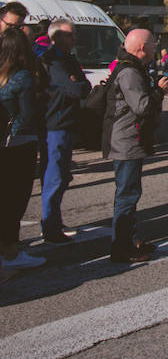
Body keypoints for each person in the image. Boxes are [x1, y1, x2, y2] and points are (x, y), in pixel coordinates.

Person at [102, 29, 168, 262]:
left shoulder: (131, 68)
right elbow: (141, 106)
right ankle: (122, 247)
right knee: (127, 194)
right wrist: (159, 92)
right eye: (153, 44)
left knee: (130, 192)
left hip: (131, 139)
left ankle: (130, 239)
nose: (155, 48)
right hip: (126, 140)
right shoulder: (130, 72)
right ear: (142, 48)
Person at [40, 20, 91, 243]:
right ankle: (50, 225)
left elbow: (84, 85)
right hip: (56, 124)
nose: (75, 39)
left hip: (68, 121)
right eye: (71, 35)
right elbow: (74, 88)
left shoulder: (69, 59)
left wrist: (78, 83)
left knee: (62, 176)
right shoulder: (53, 61)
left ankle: (54, 220)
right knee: (55, 175)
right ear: (56, 37)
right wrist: (77, 83)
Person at [0, 28, 46, 271]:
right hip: (20, 142)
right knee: (16, 199)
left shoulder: (3, 75)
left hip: (3, 143)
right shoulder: (23, 77)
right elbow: (28, 114)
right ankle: (11, 250)